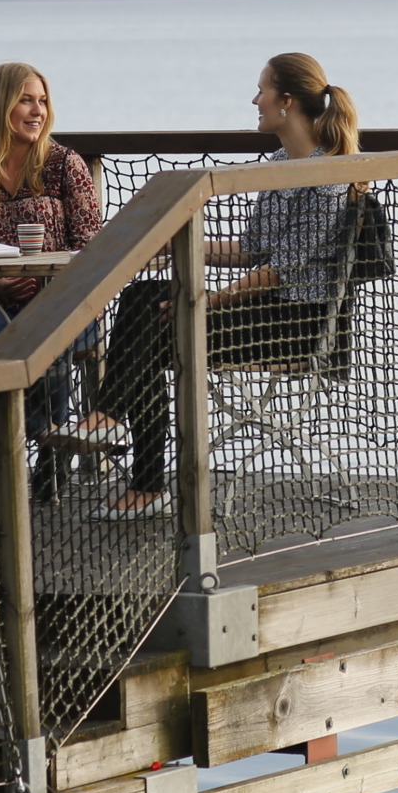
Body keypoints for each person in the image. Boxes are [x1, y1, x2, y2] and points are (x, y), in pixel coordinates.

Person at [82, 52, 362, 520]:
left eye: (262, 90)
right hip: (261, 309)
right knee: (143, 300)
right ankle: (115, 434)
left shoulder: (328, 175)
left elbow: (280, 271)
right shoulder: (277, 163)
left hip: (296, 321)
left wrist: (206, 301)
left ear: (287, 101)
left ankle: (136, 464)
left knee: (154, 323)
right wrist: (177, 248)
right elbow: (253, 251)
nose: (255, 100)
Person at [0, 63, 103, 435]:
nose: (38, 111)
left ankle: (48, 442)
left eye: (43, 101)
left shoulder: (65, 164)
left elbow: (93, 251)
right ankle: (45, 432)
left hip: (66, 303)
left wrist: (50, 285)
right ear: (1, 106)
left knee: (48, 336)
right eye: (26, 101)